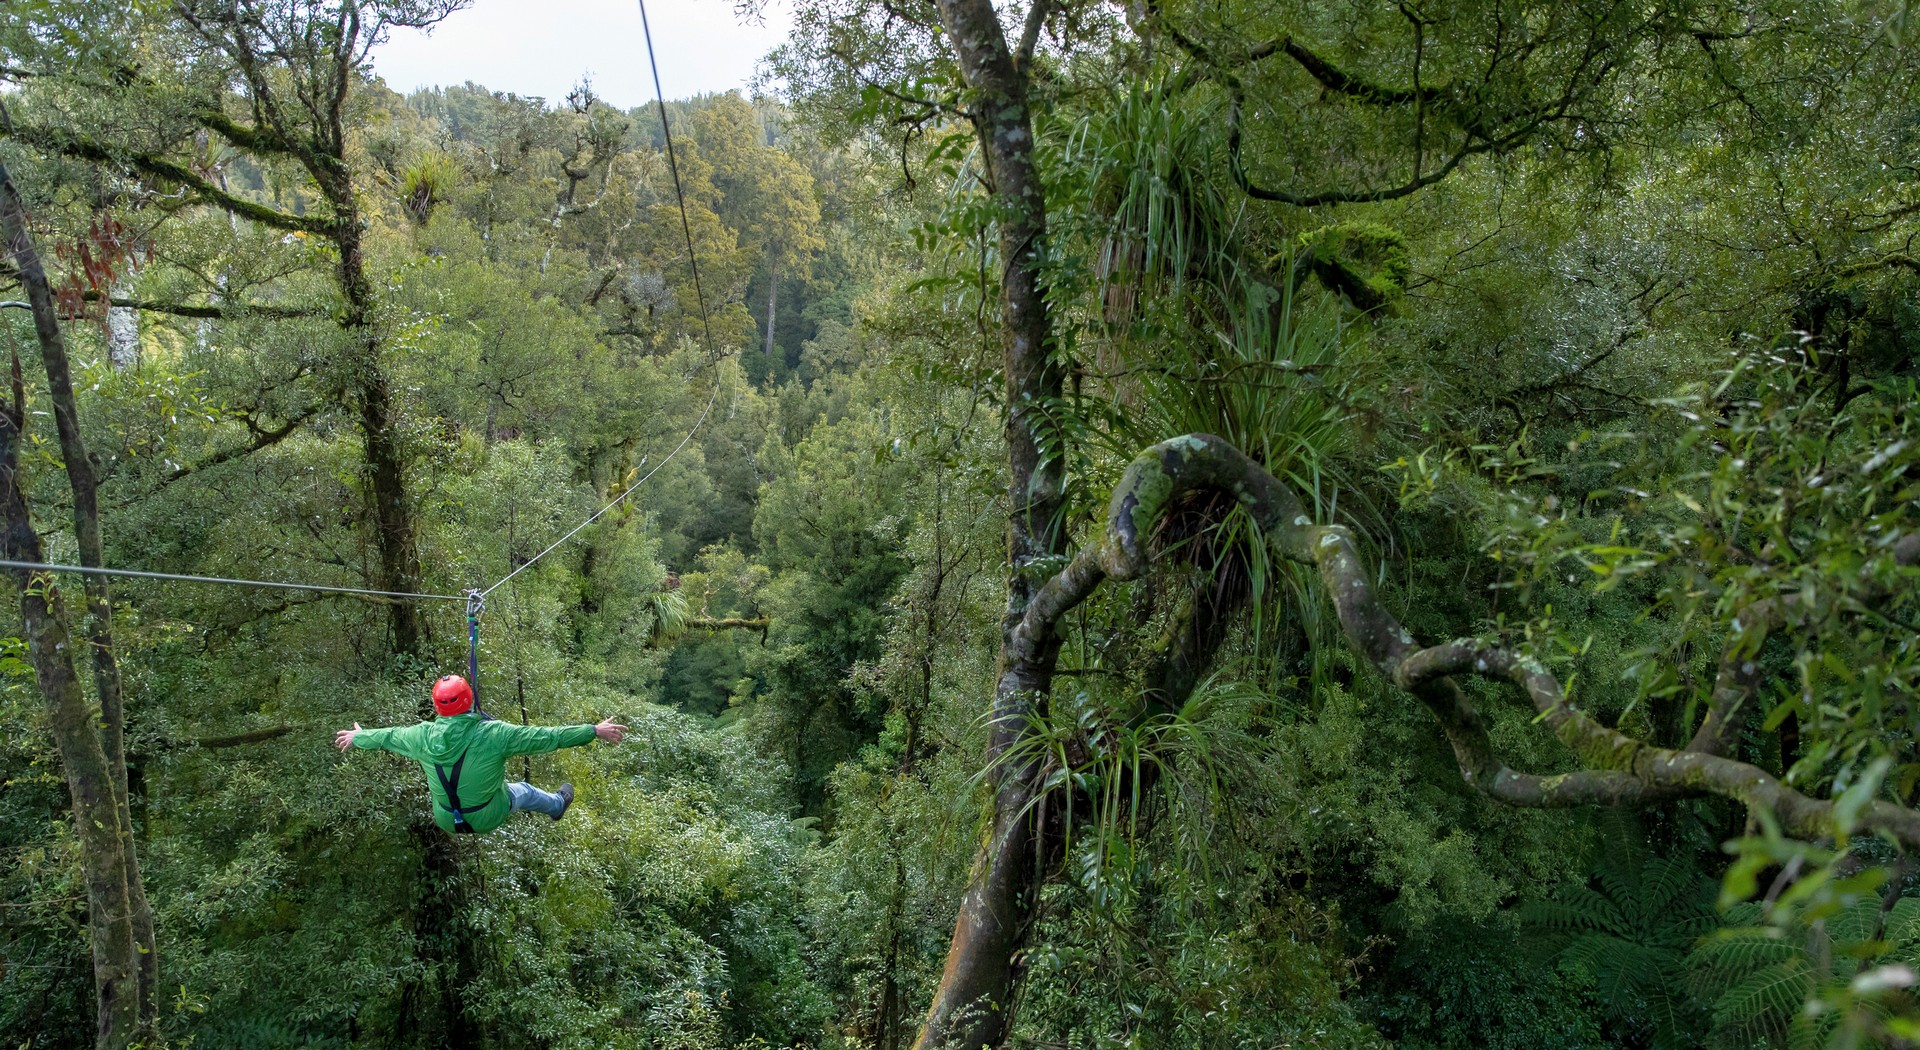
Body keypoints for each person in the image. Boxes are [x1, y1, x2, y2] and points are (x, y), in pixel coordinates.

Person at [334, 674, 626, 835]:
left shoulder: (421, 736)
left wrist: (359, 737)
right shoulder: (494, 734)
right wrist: (593, 730)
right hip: (486, 816)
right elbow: (547, 737)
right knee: (521, 790)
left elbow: (389, 736)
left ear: (437, 708)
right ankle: (556, 806)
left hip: (447, 819)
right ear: (470, 700)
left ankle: (549, 805)